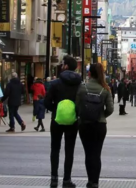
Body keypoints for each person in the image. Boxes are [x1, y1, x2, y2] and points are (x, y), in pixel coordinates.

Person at [45, 55, 82, 188]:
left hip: (57, 120)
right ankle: (67, 180)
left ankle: (54, 178)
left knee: (55, 149)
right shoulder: (79, 83)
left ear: (65, 66)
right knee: (69, 150)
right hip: (73, 120)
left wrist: (56, 110)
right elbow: (81, 103)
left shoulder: (55, 83)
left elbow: (47, 102)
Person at [76, 63, 114, 188]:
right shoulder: (105, 89)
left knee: (88, 153)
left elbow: (77, 106)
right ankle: (95, 182)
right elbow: (110, 109)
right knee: (97, 154)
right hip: (99, 125)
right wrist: (101, 115)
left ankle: (90, 181)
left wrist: (82, 115)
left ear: (89, 73)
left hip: (85, 124)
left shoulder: (82, 88)